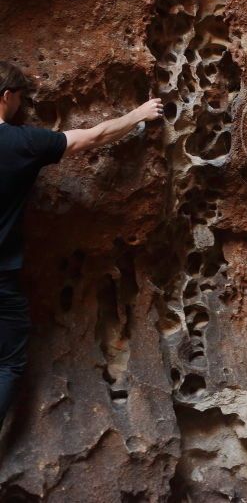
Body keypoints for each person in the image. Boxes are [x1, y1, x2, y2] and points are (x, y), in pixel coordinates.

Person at [0, 60, 163, 430]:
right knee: (8, 364)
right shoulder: (22, 142)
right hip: (1, 277)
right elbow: (93, 136)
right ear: (7, 96)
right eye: (20, 98)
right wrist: (138, 114)